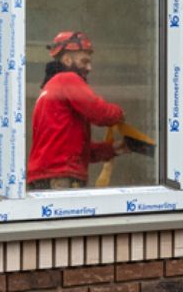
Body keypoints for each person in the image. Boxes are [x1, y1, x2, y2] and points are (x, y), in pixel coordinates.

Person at [27, 30, 138, 189]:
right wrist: (119, 114)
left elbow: (73, 149)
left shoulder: (49, 90)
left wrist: (112, 149)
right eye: (84, 61)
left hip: (47, 178)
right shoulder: (66, 79)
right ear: (66, 59)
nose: (89, 67)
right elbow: (99, 112)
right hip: (60, 178)